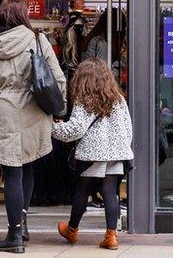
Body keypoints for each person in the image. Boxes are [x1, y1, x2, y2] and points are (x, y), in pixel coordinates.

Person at [0, 0, 66, 253]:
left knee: (11, 172)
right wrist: (59, 108)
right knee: (27, 166)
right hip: (34, 112)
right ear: (23, 16)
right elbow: (57, 79)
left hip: (2, 111)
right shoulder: (37, 40)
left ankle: (14, 233)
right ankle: (21, 226)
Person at [53, 58, 133, 251]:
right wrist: (122, 146)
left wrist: (52, 128)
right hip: (117, 152)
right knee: (110, 193)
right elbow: (128, 128)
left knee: (82, 191)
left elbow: (75, 130)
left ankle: (72, 230)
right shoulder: (118, 99)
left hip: (93, 154)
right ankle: (111, 236)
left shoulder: (85, 100)